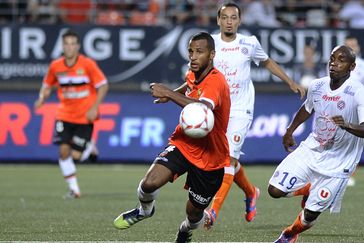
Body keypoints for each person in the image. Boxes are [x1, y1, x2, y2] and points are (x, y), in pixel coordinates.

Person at [113, 32, 231, 243]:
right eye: (191, 51)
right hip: (185, 143)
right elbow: (190, 85)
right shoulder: (192, 73)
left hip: (211, 157)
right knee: (149, 183)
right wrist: (174, 93)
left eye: (199, 52)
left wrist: (167, 92)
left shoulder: (216, 82)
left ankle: (185, 230)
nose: (193, 57)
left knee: (193, 214)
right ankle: (144, 210)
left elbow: (203, 108)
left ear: (212, 55)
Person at [204, 2, 305, 229]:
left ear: (239, 21)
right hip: (216, 111)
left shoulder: (248, 43)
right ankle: (251, 192)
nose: (229, 21)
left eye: (234, 17)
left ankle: (213, 212)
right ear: (218, 20)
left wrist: (290, 82)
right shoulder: (209, 44)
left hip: (241, 109)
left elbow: (267, 61)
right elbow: (197, 71)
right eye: (225, 17)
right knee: (221, 160)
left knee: (228, 160)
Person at [268, 45, 364, 243]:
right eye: (332, 59)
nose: (334, 63)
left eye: (341, 60)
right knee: (274, 190)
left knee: (310, 214)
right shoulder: (317, 85)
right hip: (311, 149)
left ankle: (290, 234)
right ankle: (308, 188)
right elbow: (307, 108)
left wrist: (347, 125)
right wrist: (290, 130)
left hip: (339, 162)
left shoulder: (358, 92)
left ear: (352, 67)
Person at [34, 30, 108, 198]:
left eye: (73, 43)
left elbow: (103, 85)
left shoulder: (87, 64)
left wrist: (95, 107)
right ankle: (74, 190)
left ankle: (89, 147)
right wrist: (42, 98)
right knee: (63, 152)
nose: (69, 47)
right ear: (62, 46)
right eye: (66, 43)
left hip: (84, 115)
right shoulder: (56, 66)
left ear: (78, 46)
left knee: (76, 155)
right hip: (64, 114)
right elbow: (47, 85)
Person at [344, 34, 364, 186]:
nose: (351, 48)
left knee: (354, 142)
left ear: (358, 48)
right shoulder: (335, 63)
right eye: (348, 45)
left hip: (357, 109)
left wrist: (360, 98)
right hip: (339, 106)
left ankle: (348, 173)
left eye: (353, 45)